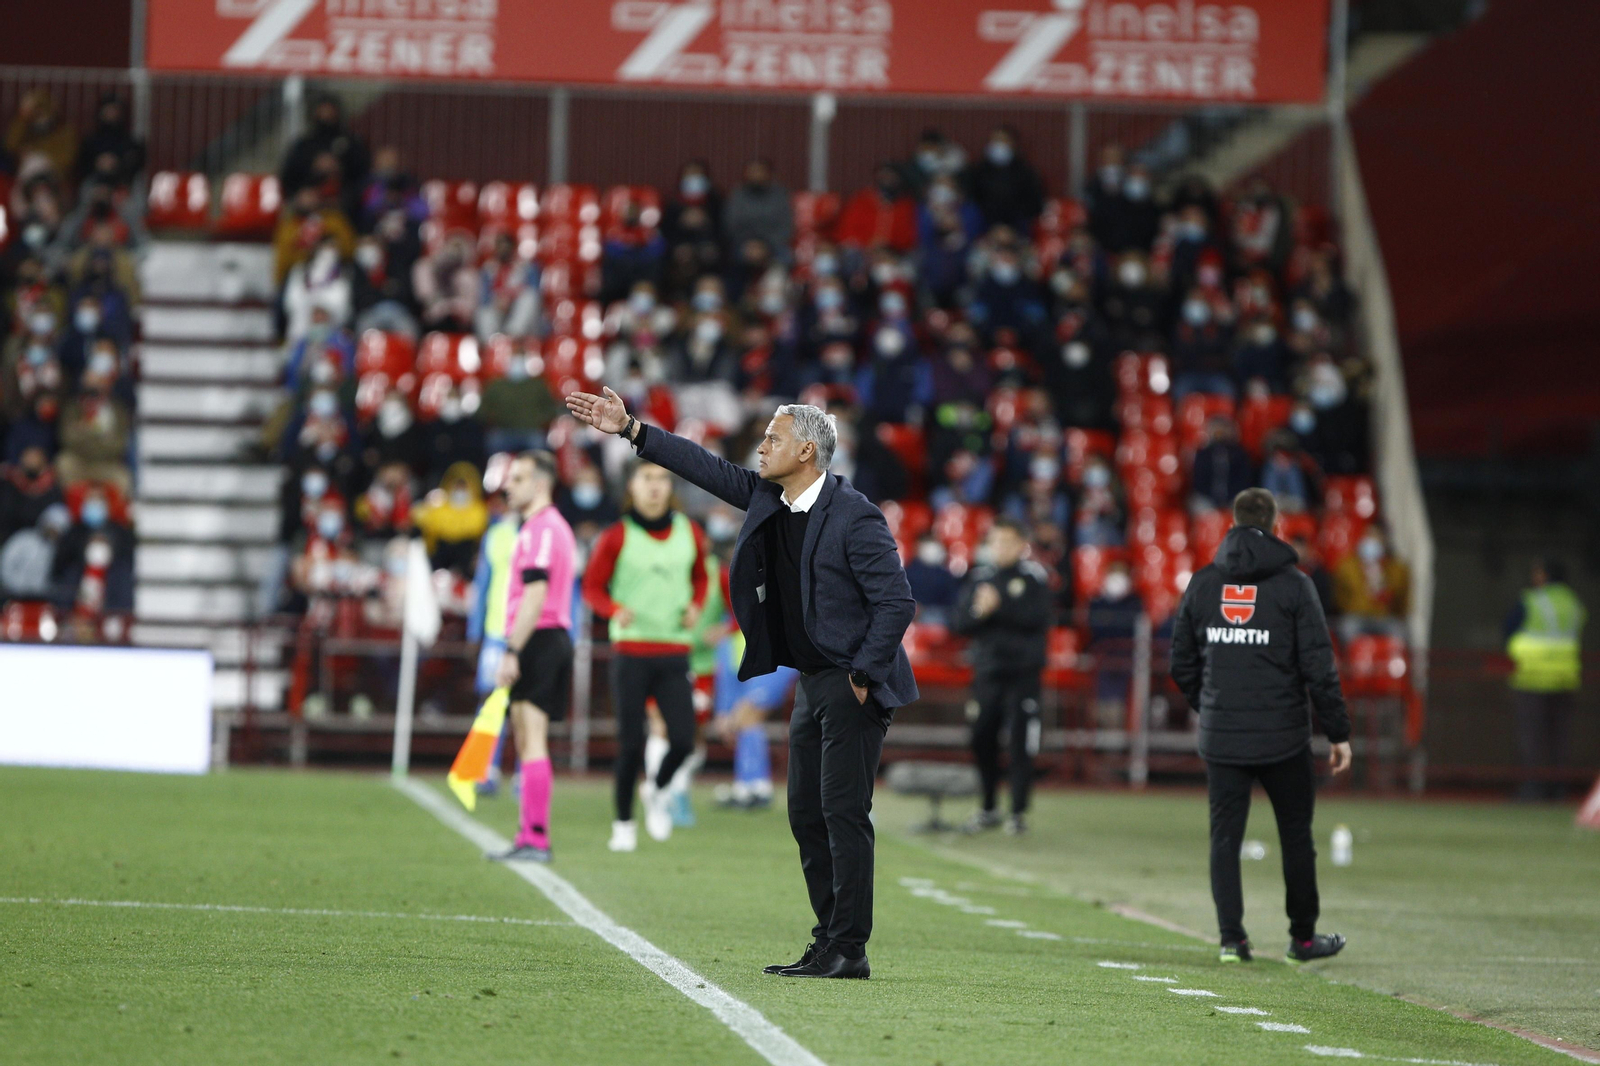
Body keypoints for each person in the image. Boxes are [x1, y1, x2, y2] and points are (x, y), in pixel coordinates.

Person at [565, 388, 917, 980]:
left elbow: (896, 603)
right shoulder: (769, 496)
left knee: (843, 814)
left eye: (774, 438)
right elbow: (703, 467)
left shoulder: (855, 515)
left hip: (851, 681)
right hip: (811, 680)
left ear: (806, 451)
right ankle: (828, 938)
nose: (761, 446)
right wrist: (632, 430)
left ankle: (849, 947)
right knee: (806, 814)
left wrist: (861, 674)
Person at [1170, 488, 1352, 965]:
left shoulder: (1204, 583)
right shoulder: (1296, 585)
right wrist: (1338, 732)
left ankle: (1232, 940)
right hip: (1284, 737)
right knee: (1296, 836)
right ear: (1275, 526)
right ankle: (1303, 940)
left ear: (1231, 524)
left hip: (1223, 736)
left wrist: (1211, 705)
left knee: (1224, 839)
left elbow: (1180, 661)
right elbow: (1319, 667)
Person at [581, 461, 712, 850]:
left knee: (684, 741)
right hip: (631, 650)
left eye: (662, 479)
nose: (655, 486)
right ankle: (623, 825)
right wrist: (612, 610)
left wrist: (696, 605)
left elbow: (701, 576)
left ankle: (656, 789)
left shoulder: (690, 531)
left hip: (675, 650)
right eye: (647, 478)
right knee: (630, 743)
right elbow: (591, 587)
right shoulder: (617, 535)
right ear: (632, 488)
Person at [488, 452, 577, 864]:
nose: (508, 486)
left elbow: (535, 594)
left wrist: (512, 650)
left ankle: (536, 838)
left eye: (518, 478)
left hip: (540, 638)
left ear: (540, 484)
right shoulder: (539, 527)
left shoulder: (542, 528)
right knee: (525, 739)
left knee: (533, 738)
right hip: (539, 637)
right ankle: (527, 834)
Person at [952, 519, 1052, 834]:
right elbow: (960, 622)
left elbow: (1039, 618)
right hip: (987, 672)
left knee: (1021, 742)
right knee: (981, 736)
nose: (1000, 548)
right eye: (995, 541)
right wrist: (979, 612)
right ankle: (988, 807)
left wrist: (998, 607)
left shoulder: (1034, 578)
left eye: (1007, 541)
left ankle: (1018, 812)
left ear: (1022, 545)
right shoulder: (980, 577)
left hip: (1023, 674)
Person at [1503, 558, 1586, 801]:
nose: (1534, 577)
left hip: (1533, 677)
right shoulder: (1574, 603)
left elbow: (1508, 628)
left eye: (1537, 572)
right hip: (1565, 678)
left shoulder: (1533, 600)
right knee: (1560, 739)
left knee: (1532, 738)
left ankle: (1533, 789)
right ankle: (1558, 789)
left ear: (1546, 575)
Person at [1331, 526, 1410, 640]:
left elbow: (1401, 601)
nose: (1372, 541)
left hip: (1385, 618)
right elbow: (1339, 597)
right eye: (1368, 536)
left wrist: (1383, 581)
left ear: (1384, 541)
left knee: (1400, 632)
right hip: (1357, 616)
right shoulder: (1347, 565)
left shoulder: (1396, 567)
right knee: (1347, 628)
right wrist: (1357, 605)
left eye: (1376, 537)